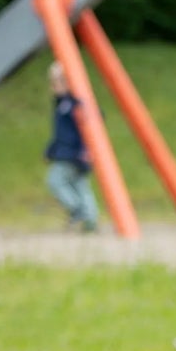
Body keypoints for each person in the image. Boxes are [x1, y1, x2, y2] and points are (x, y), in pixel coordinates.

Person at [44, 59, 99, 232]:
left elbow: (86, 127)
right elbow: (61, 134)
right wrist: (51, 150)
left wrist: (86, 149)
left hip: (72, 153)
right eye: (53, 82)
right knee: (80, 185)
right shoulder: (63, 105)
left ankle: (78, 209)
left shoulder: (74, 105)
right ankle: (90, 219)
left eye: (58, 82)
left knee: (55, 180)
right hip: (69, 152)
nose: (54, 87)